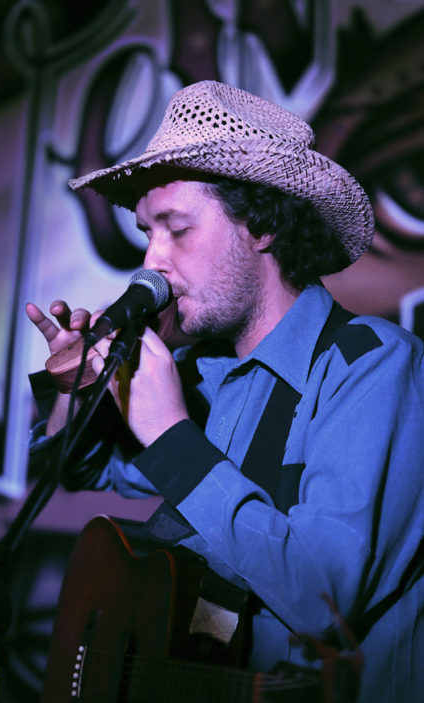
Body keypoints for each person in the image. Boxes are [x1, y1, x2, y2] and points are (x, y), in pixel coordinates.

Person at [27, 81, 424, 702]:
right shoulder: (205, 374)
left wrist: (170, 436)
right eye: (147, 233)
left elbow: (322, 597)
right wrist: (75, 394)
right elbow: (77, 468)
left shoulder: (373, 367)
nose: (151, 261)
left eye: (177, 229)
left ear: (259, 226)